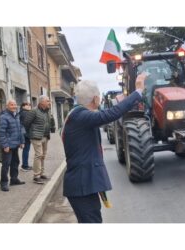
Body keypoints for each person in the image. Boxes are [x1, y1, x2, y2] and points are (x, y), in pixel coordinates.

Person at [62, 73, 146, 223]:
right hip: (82, 186)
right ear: (95, 98)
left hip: (84, 185)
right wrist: (138, 92)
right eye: (99, 95)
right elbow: (111, 114)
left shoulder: (78, 115)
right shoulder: (81, 116)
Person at [23, 95, 54, 184]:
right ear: (41, 102)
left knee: (43, 155)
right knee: (38, 155)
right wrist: (32, 133)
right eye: (47, 101)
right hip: (36, 136)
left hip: (45, 136)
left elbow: (48, 122)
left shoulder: (47, 111)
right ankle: (36, 176)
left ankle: (41, 173)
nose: (49, 102)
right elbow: (26, 123)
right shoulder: (34, 111)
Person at [0, 100, 25, 192]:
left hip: (15, 144)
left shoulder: (16, 115)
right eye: (11, 105)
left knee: (15, 162)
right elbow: (1, 133)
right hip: (8, 146)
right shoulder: (3, 117)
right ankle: (3, 183)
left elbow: (20, 130)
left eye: (15, 104)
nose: (14, 106)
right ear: (7, 106)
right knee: (6, 165)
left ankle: (14, 179)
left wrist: (22, 142)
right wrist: (5, 145)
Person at [19, 102, 32, 171]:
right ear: (23, 106)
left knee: (26, 150)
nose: (29, 106)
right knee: (26, 150)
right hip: (26, 134)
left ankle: (25, 164)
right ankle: (24, 166)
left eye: (30, 105)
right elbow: (26, 124)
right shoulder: (25, 113)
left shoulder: (22, 112)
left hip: (25, 134)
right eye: (28, 105)